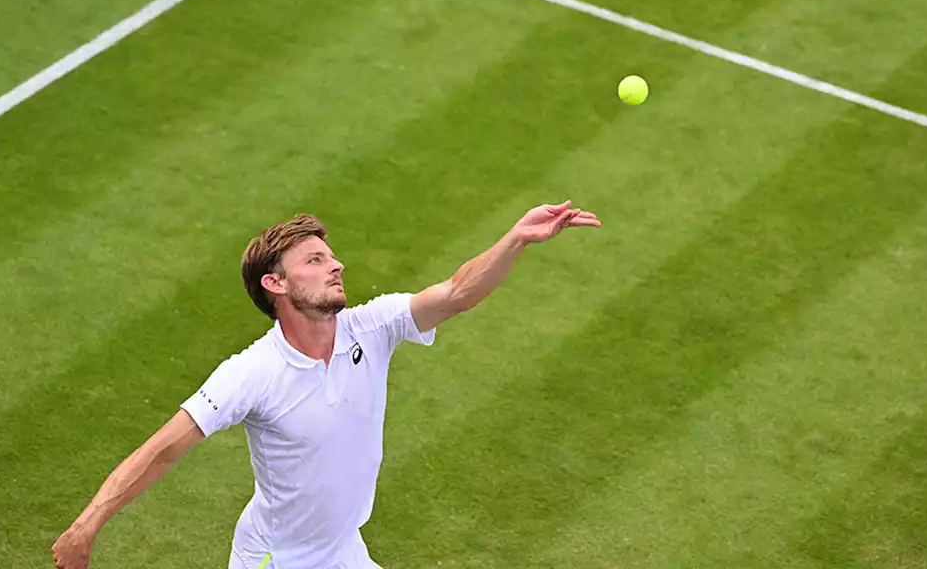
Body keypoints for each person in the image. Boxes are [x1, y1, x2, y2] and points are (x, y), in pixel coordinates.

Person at [51, 200, 600, 569]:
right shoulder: (252, 373)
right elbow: (162, 451)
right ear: (277, 284)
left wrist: (517, 238)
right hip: (277, 560)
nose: (336, 266)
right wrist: (86, 527)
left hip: (341, 551)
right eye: (316, 260)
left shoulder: (373, 326)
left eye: (332, 256)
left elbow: (457, 292)